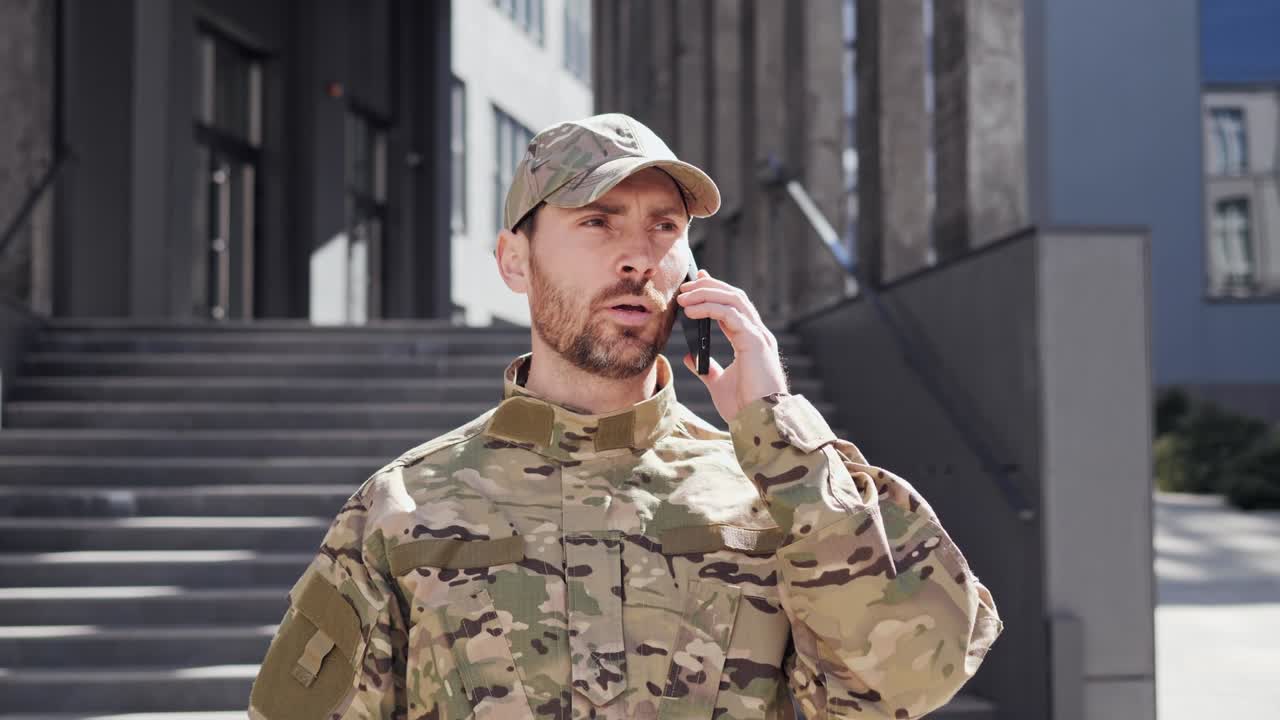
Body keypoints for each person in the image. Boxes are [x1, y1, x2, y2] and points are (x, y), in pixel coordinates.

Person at [247, 113, 1003, 720]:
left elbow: (910, 680)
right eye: (598, 223)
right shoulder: (401, 510)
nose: (638, 256)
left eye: (664, 227)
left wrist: (782, 435)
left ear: (692, 270)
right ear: (516, 261)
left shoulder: (773, 493)